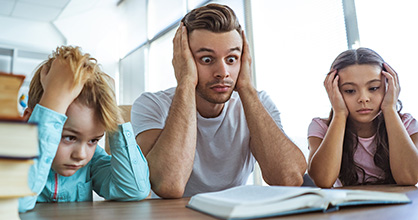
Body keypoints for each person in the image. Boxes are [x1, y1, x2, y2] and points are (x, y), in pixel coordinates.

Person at [131, 3, 307, 198]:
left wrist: (246, 87)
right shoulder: (151, 105)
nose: (223, 73)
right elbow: (168, 184)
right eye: (207, 59)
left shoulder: (257, 103)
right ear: (183, 59)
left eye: (231, 59)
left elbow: (289, 179)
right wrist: (186, 83)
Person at [19, 46, 150, 212]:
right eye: (69, 137)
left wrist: (112, 111)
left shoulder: (92, 160)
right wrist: (53, 101)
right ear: (29, 119)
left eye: (93, 140)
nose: (81, 155)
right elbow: (19, 200)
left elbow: (135, 190)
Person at [307, 47, 418, 188]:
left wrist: (390, 109)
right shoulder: (321, 127)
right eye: (350, 91)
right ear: (334, 90)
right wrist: (339, 114)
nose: (363, 98)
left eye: (373, 88)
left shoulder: (407, 124)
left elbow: (409, 178)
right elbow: (324, 180)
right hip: (346, 209)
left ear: (389, 86)